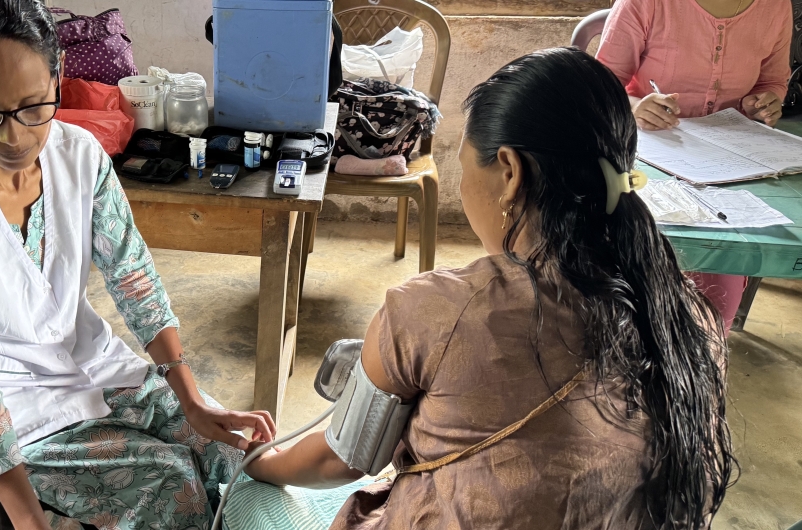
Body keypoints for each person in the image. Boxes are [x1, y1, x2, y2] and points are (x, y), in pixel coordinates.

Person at [237, 48, 736, 529]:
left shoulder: (434, 311)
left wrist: (263, 464)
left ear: (510, 172)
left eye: (463, 162)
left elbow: (339, 461)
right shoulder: (685, 316)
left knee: (245, 497)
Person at [0, 1, 274, 529]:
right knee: (171, 485)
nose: (14, 138)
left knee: (240, 456)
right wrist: (29, 521)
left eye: (34, 105)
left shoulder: (80, 154)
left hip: (91, 363)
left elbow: (133, 277)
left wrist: (191, 398)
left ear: (59, 71)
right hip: (9, 404)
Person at [595, 0, 793, 334]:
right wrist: (634, 106)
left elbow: (773, 82)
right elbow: (600, 83)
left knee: (715, 291)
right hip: (645, 154)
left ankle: (699, 360)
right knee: (635, 274)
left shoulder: (775, 6)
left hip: (731, 166)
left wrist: (766, 100)